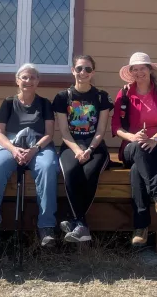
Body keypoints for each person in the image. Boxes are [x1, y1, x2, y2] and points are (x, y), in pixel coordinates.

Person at [0, 63, 58, 249]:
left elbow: (49, 134)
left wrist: (34, 149)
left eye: (32, 77)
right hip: (11, 146)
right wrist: (13, 150)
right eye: (24, 77)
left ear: (38, 81)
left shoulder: (45, 103)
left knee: (48, 167)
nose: (28, 81)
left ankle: (46, 226)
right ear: (17, 80)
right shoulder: (7, 103)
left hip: (39, 147)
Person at [111, 52, 157, 248]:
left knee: (136, 171)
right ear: (130, 72)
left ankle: (141, 227)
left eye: (143, 68)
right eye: (135, 69)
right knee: (138, 149)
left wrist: (155, 139)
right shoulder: (124, 94)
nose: (139, 72)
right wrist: (132, 137)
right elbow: (116, 127)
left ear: (150, 70)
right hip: (132, 146)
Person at [52, 55, 113, 243]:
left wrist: (90, 149)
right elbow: (63, 131)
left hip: (95, 146)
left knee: (89, 171)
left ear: (93, 72)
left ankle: (75, 221)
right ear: (73, 71)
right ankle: (81, 225)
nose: (83, 73)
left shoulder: (101, 97)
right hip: (71, 144)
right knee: (70, 171)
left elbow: (101, 130)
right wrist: (78, 150)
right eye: (79, 69)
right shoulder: (63, 97)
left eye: (87, 69)